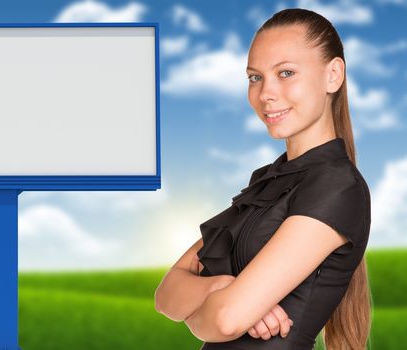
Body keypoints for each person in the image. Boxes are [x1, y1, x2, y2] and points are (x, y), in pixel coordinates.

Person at [154, 8, 372, 350]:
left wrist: (207, 313)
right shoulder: (267, 182)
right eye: (255, 77)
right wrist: (217, 289)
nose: (265, 93)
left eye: (285, 73)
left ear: (333, 75)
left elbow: (226, 319)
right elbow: (166, 294)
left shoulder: (336, 187)